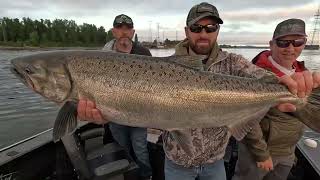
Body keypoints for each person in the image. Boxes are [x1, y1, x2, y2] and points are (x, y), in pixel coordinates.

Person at [77, 3, 318, 180]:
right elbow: (142, 113)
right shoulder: (164, 67)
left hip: (216, 163)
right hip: (176, 163)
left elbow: (263, 78)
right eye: (197, 27)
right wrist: (107, 110)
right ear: (187, 31)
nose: (203, 33)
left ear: (217, 32)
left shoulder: (234, 63)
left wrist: (291, 85)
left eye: (210, 27)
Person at [232, 18, 320, 180]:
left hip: (287, 151)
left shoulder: (304, 73)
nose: (291, 48)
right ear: (271, 44)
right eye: (283, 43)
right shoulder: (253, 73)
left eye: (298, 42)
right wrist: (262, 155)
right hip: (258, 153)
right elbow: (246, 120)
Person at [101, 14, 152, 180]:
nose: (124, 32)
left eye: (127, 28)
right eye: (119, 28)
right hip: (114, 113)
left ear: (133, 32)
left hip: (139, 113)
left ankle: (146, 176)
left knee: (140, 149)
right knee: (122, 148)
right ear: (113, 31)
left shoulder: (144, 53)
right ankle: (128, 175)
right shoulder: (103, 55)